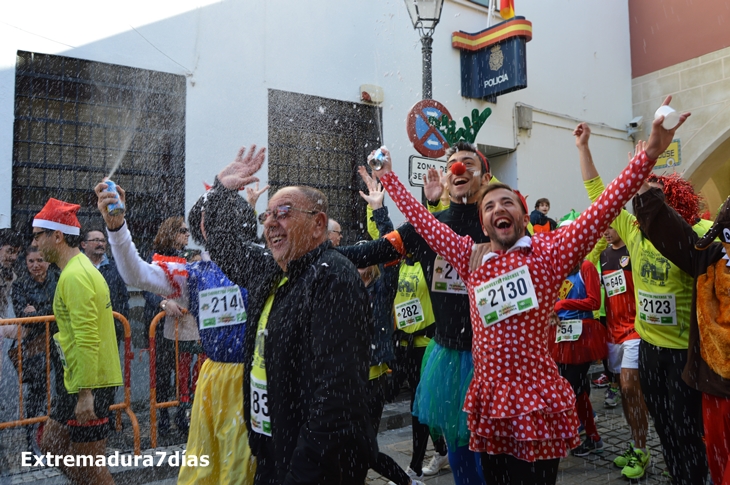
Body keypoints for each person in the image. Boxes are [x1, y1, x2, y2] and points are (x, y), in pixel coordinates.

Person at [370, 98, 685, 484]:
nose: (499, 208)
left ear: (522, 216)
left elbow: (604, 207)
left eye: (508, 203)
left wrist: (651, 151)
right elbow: (423, 221)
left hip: (535, 400)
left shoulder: (550, 253)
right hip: (490, 401)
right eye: (490, 206)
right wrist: (388, 176)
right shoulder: (470, 258)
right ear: (484, 223)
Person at [198, 145, 376, 484]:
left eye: (283, 212)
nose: (271, 223)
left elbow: (336, 392)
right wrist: (222, 189)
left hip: (314, 463)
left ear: (317, 225)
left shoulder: (333, 277)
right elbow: (220, 242)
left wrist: (304, 467)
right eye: (267, 215)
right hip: (272, 447)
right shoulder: (272, 269)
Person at [339, 141, 493, 485]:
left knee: (497, 455)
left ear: (486, 175)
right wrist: (319, 252)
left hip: (496, 357)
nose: (457, 169)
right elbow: (377, 250)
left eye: (467, 163)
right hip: (450, 357)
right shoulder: (429, 227)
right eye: (452, 163)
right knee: (461, 454)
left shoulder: (500, 222)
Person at [575, 115, 708, 483]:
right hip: (650, 347)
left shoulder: (695, 234)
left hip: (685, 354)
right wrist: (583, 148)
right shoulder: (634, 231)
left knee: (687, 431)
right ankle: (674, 472)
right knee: (665, 428)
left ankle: (693, 476)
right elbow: (599, 195)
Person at [95, 181, 255, 485]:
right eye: (208, 223)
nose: (212, 228)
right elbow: (136, 274)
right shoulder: (195, 274)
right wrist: (117, 228)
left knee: (241, 467)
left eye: (222, 220)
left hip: (252, 376)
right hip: (212, 378)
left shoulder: (262, 263)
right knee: (201, 467)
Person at [633, 184, 730, 485]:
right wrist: (647, 197)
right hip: (716, 383)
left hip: (691, 365)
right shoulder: (712, 258)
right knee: (711, 455)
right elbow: (683, 244)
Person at [361, 168, 449, 478]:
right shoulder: (396, 265)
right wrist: (377, 207)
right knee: (420, 405)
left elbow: (437, 228)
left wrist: (434, 204)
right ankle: (441, 450)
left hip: (428, 345)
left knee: (418, 405)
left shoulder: (429, 260)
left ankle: (413, 467)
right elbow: (381, 238)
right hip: (402, 346)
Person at [32, 198, 122, 485]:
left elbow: (86, 337)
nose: (34, 243)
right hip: (75, 379)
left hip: (90, 383)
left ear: (57, 236)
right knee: (51, 444)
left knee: (91, 467)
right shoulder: (77, 269)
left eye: (38, 235)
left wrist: (86, 395)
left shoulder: (76, 276)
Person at [357, 177, 423, 485]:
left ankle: (409, 479)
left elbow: (390, 247)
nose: (357, 264)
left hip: (374, 377)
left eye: (363, 258)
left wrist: (379, 211)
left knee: (365, 447)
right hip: (348, 379)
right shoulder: (343, 289)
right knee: (356, 446)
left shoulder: (383, 288)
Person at [546, 248, 607, 458]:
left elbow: (594, 302)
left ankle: (585, 435)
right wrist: (553, 311)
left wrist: (563, 304)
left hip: (582, 337)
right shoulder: (558, 271)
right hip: (561, 337)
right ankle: (586, 434)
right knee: (575, 388)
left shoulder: (586, 267)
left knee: (572, 387)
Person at [599, 226, 649, 476]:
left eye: (610, 226)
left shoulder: (634, 249)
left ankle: (642, 447)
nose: (605, 232)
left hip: (635, 331)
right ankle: (635, 445)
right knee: (628, 397)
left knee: (629, 387)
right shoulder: (604, 255)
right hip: (612, 334)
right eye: (602, 228)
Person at [142, 216, 191, 433]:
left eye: (188, 230)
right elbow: (146, 288)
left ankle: (182, 413)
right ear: (171, 233)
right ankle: (161, 415)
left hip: (183, 325)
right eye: (182, 230)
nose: (187, 234)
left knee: (184, 373)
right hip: (160, 325)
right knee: (161, 373)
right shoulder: (154, 258)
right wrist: (163, 303)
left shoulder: (189, 258)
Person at [10, 246, 60, 454]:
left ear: (47, 262)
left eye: (40, 260)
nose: (36, 265)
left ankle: (57, 442)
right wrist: (43, 314)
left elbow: (61, 308)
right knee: (37, 394)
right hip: (36, 346)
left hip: (60, 342)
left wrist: (39, 312)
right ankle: (33, 444)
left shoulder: (58, 280)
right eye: (31, 261)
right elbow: (24, 315)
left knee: (61, 392)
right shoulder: (20, 284)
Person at [80, 228, 130, 344]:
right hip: (84, 328)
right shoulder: (77, 266)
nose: (100, 244)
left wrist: (118, 324)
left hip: (110, 329)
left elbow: (123, 297)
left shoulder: (115, 267)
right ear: (84, 244)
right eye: (96, 240)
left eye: (103, 241)